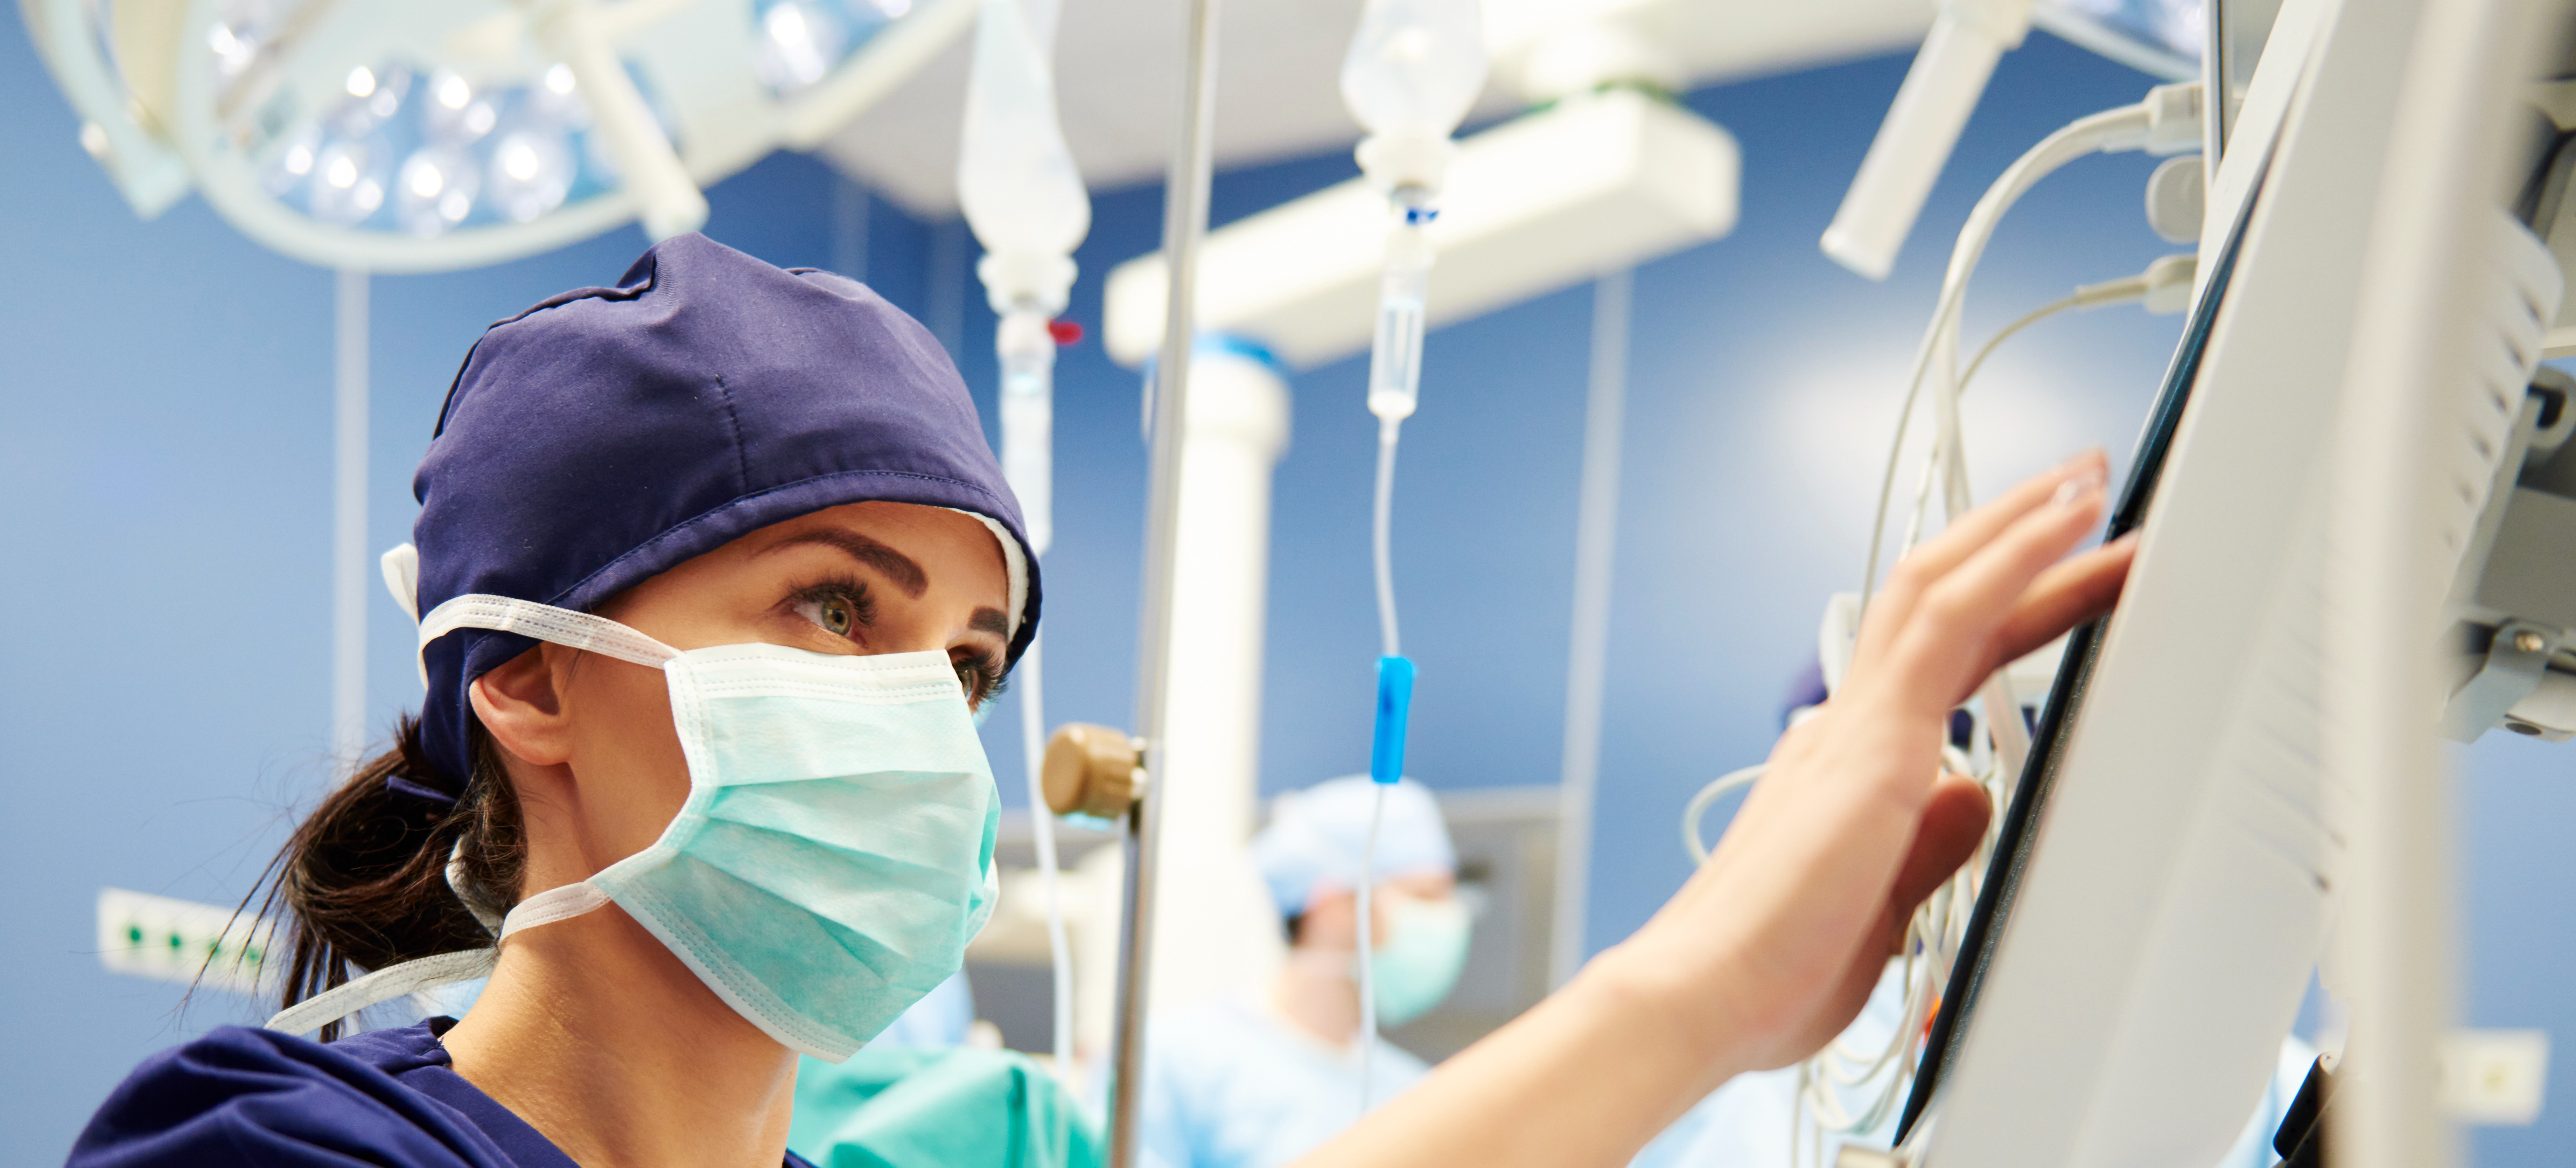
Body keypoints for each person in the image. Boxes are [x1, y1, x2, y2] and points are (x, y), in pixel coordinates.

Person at [66, 231, 2135, 1168]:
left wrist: (1711, 1006)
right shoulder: (278, 1151)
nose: (925, 714)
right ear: (524, 670)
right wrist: (1679, 1000)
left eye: (965, 657)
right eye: (830, 608)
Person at [1135, 776, 1469, 1168]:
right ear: (1333, 909)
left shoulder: (1415, 1093)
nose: (1448, 920)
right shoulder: (1173, 1062)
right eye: (1425, 897)